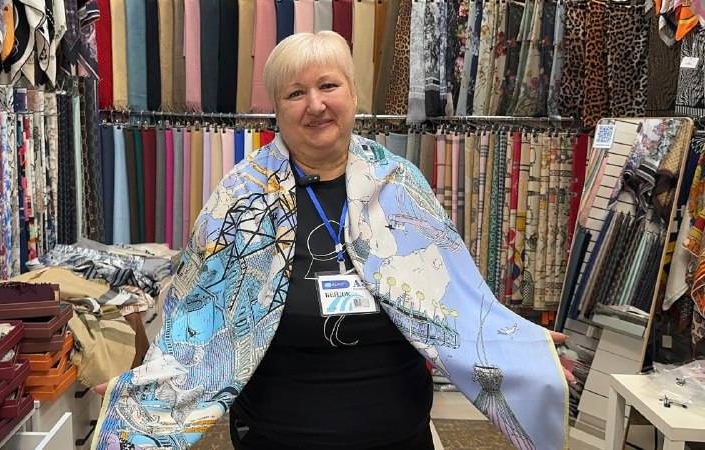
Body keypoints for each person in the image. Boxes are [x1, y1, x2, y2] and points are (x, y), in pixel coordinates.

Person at [92, 31, 571, 450]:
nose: (315, 105)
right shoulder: (240, 199)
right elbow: (198, 318)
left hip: (398, 435)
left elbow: (455, 298)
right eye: (295, 93)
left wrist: (513, 346)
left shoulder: (399, 186)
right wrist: (147, 392)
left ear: (353, 93)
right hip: (278, 437)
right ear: (276, 108)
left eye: (328, 86)